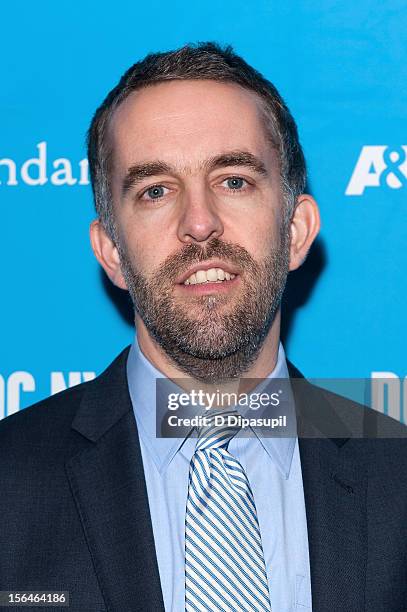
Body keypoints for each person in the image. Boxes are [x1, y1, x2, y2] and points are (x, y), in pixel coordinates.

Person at [0, 42, 406, 612]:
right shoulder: (8, 482)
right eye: (155, 190)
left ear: (295, 230)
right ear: (111, 251)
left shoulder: (398, 477)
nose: (199, 223)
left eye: (234, 180)